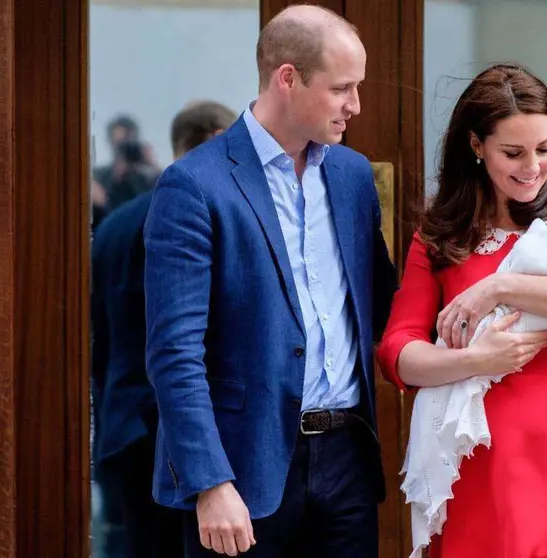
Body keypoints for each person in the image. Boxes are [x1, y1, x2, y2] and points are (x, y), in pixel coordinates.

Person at [143, 6, 398, 558]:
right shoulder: (193, 185)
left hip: (348, 461)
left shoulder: (353, 177)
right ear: (288, 78)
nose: (355, 105)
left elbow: (387, 304)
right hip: (242, 472)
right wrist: (210, 482)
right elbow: (174, 352)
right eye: (342, 89)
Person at [376, 63, 547, 558]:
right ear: (477, 146)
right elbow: (398, 353)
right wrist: (477, 361)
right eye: (513, 153)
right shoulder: (439, 240)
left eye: (544, 148)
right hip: (489, 475)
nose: (533, 167)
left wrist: (501, 287)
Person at [91, 100, 238, 557]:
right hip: (188, 426)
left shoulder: (115, 223)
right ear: (217, 137)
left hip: (124, 420)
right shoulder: (208, 214)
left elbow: (100, 335)